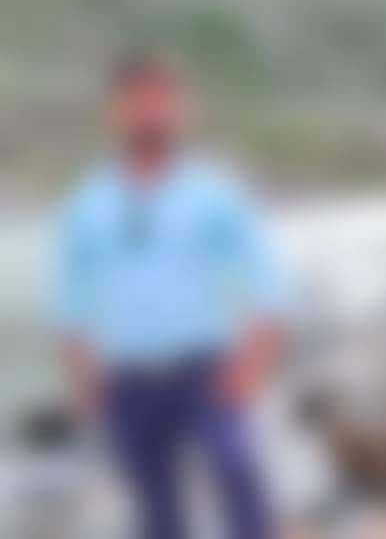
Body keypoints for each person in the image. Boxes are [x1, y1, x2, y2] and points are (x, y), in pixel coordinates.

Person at [56, 52, 285, 539]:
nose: (150, 112)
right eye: (137, 100)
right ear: (115, 111)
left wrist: (253, 363)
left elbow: (265, 280)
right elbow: (72, 299)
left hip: (206, 373)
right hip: (128, 381)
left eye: (160, 99)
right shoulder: (89, 202)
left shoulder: (213, 193)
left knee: (237, 473)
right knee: (156, 512)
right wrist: (84, 380)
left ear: (180, 107)